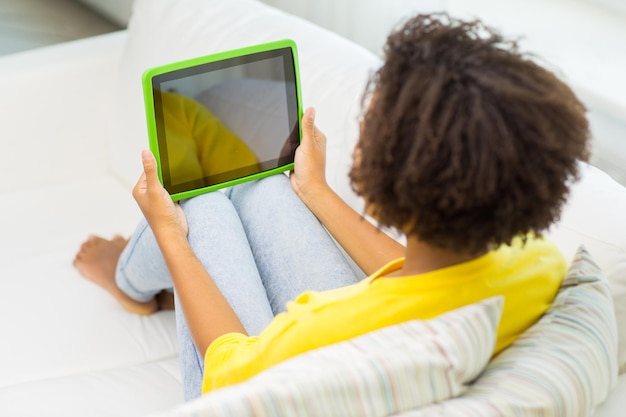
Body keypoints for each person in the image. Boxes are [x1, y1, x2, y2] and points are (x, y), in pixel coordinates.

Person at [74, 13, 590, 400]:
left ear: (381, 184)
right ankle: (160, 279)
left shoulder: (323, 329)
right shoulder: (537, 263)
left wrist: (170, 236)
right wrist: (316, 191)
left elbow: (229, 372)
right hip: (382, 323)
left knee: (200, 209)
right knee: (268, 187)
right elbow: (422, 274)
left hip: (253, 385)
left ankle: (129, 281)